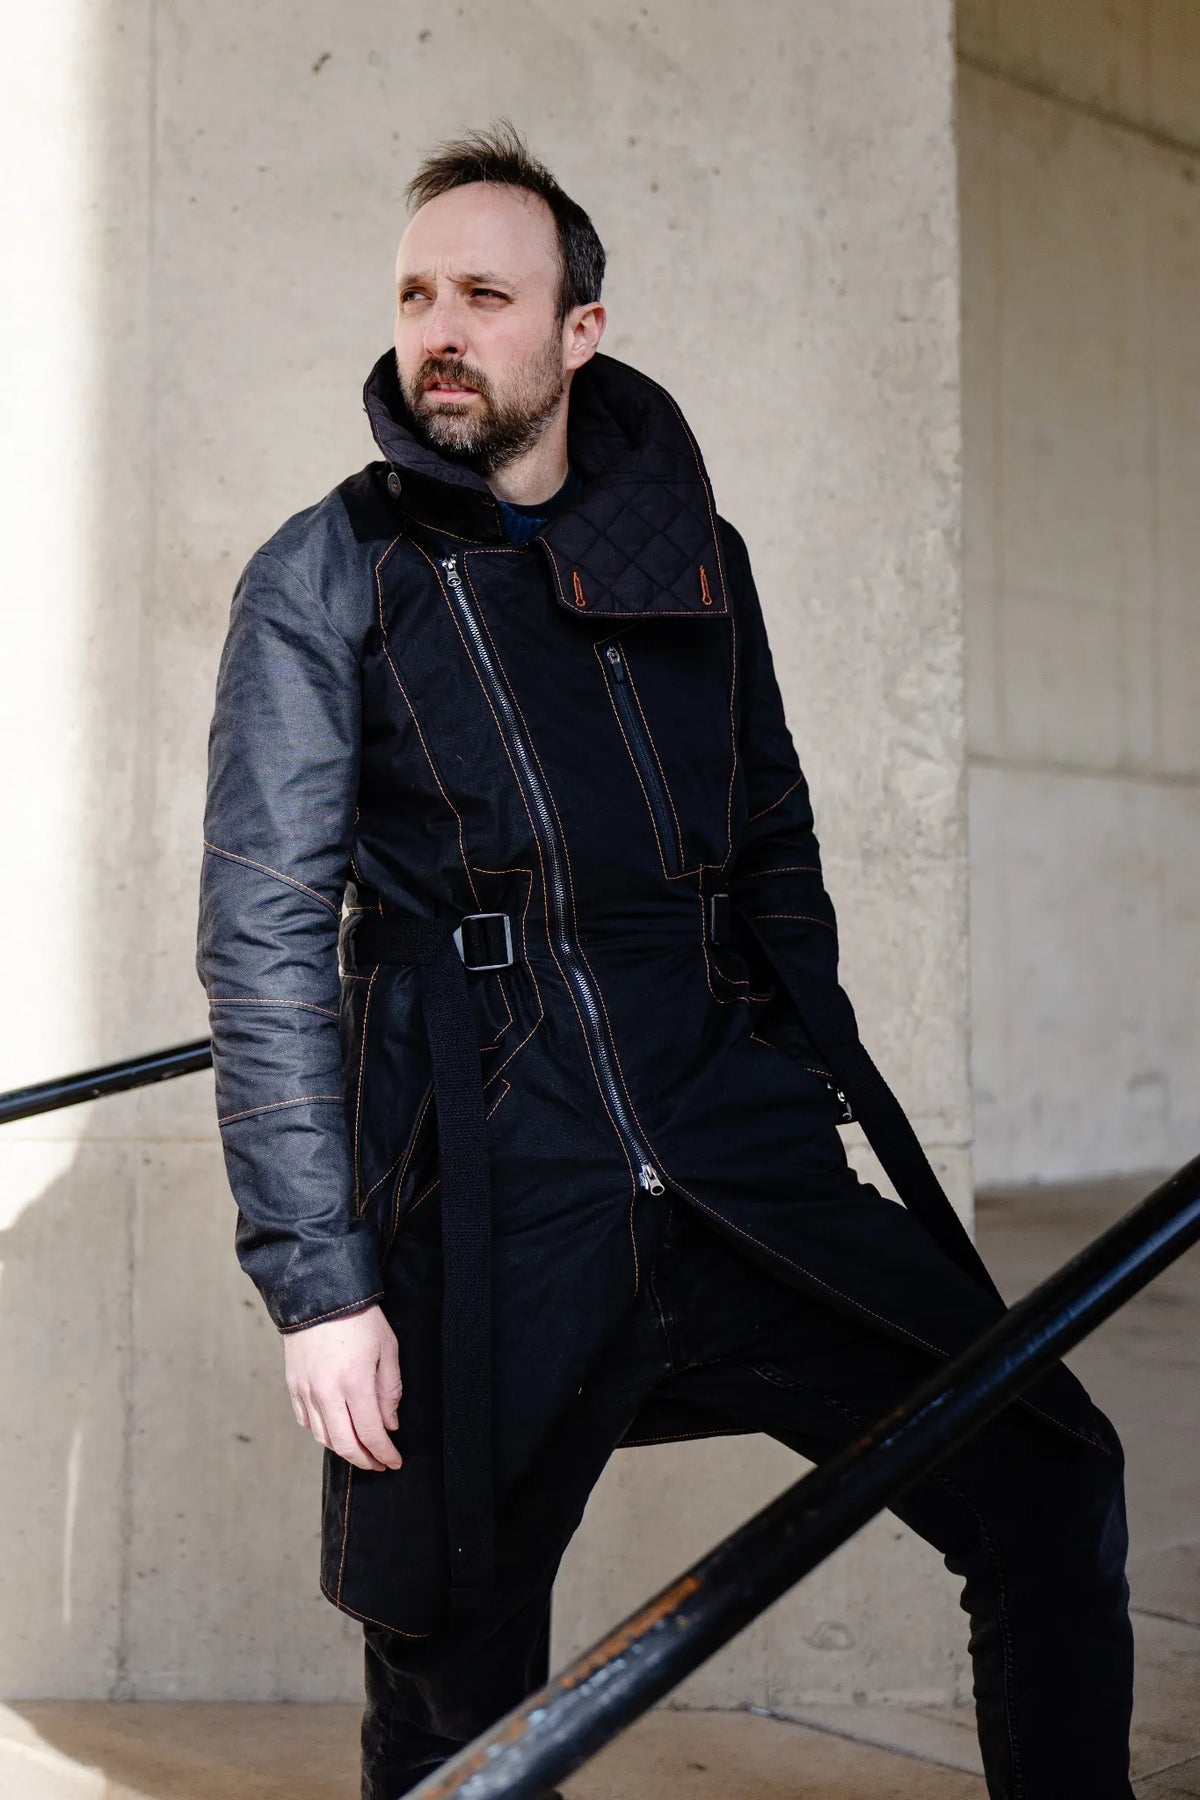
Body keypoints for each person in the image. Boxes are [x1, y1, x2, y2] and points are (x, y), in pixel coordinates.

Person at [196, 120, 1136, 1799]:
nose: (440, 331)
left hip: (732, 1160)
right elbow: (262, 942)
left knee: (1044, 1467)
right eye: (416, 295)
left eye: (487, 295)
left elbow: (775, 846)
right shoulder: (326, 573)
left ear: (581, 330)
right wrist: (322, 1284)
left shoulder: (695, 556)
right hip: (485, 1192)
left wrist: (781, 1076)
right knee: (450, 1664)